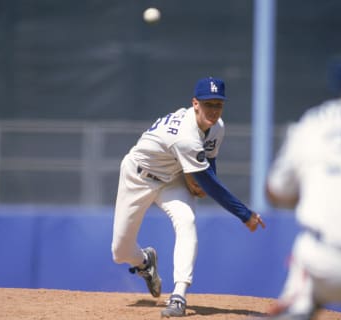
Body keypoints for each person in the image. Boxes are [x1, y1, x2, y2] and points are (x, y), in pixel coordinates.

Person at [111, 76, 266, 317]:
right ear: (195, 103)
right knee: (120, 252)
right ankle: (144, 262)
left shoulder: (218, 127)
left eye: (218, 104)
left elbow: (209, 160)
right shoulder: (185, 135)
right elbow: (209, 184)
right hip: (138, 176)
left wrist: (205, 178)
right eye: (208, 104)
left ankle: (179, 296)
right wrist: (245, 214)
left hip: (172, 179)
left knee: (186, 221)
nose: (213, 110)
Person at [264, 33, 341, 320]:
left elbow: (275, 192)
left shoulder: (314, 121)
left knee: (305, 250)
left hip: (323, 265)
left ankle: (296, 305)